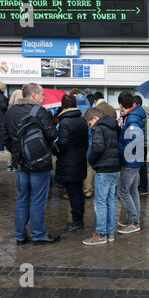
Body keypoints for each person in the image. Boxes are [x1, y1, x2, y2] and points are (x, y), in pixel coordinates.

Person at [0, 83, 60, 245]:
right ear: (33, 95)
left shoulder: (10, 111)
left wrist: (16, 152)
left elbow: (3, 136)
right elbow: (52, 134)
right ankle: (39, 234)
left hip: (19, 163)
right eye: (42, 94)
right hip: (39, 163)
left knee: (22, 198)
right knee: (38, 199)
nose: (44, 97)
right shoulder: (40, 112)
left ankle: (20, 235)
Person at [82, 107, 120, 245]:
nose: (90, 126)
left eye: (90, 123)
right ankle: (110, 233)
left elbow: (97, 147)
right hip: (114, 168)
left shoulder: (99, 128)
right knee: (110, 201)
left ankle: (101, 234)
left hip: (103, 169)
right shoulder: (113, 126)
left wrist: (90, 160)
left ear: (95, 119)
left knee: (100, 203)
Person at [54, 95, 89, 233]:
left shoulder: (64, 122)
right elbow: (86, 142)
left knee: (73, 193)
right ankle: (79, 218)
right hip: (80, 160)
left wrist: (54, 148)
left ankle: (77, 222)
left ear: (63, 105)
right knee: (79, 191)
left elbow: (62, 143)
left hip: (68, 163)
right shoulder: (81, 120)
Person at [117, 91, 146, 234]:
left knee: (122, 191)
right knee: (132, 190)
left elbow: (132, 142)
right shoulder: (133, 116)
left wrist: (120, 150)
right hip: (136, 159)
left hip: (131, 160)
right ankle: (133, 218)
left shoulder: (132, 119)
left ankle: (135, 221)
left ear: (121, 105)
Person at [135, 95, 149, 196]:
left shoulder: (140, 114)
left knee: (141, 167)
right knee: (142, 166)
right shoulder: (146, 112)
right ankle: (143, 187)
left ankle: (143, 187)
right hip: (145, 142)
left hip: (141, 142)